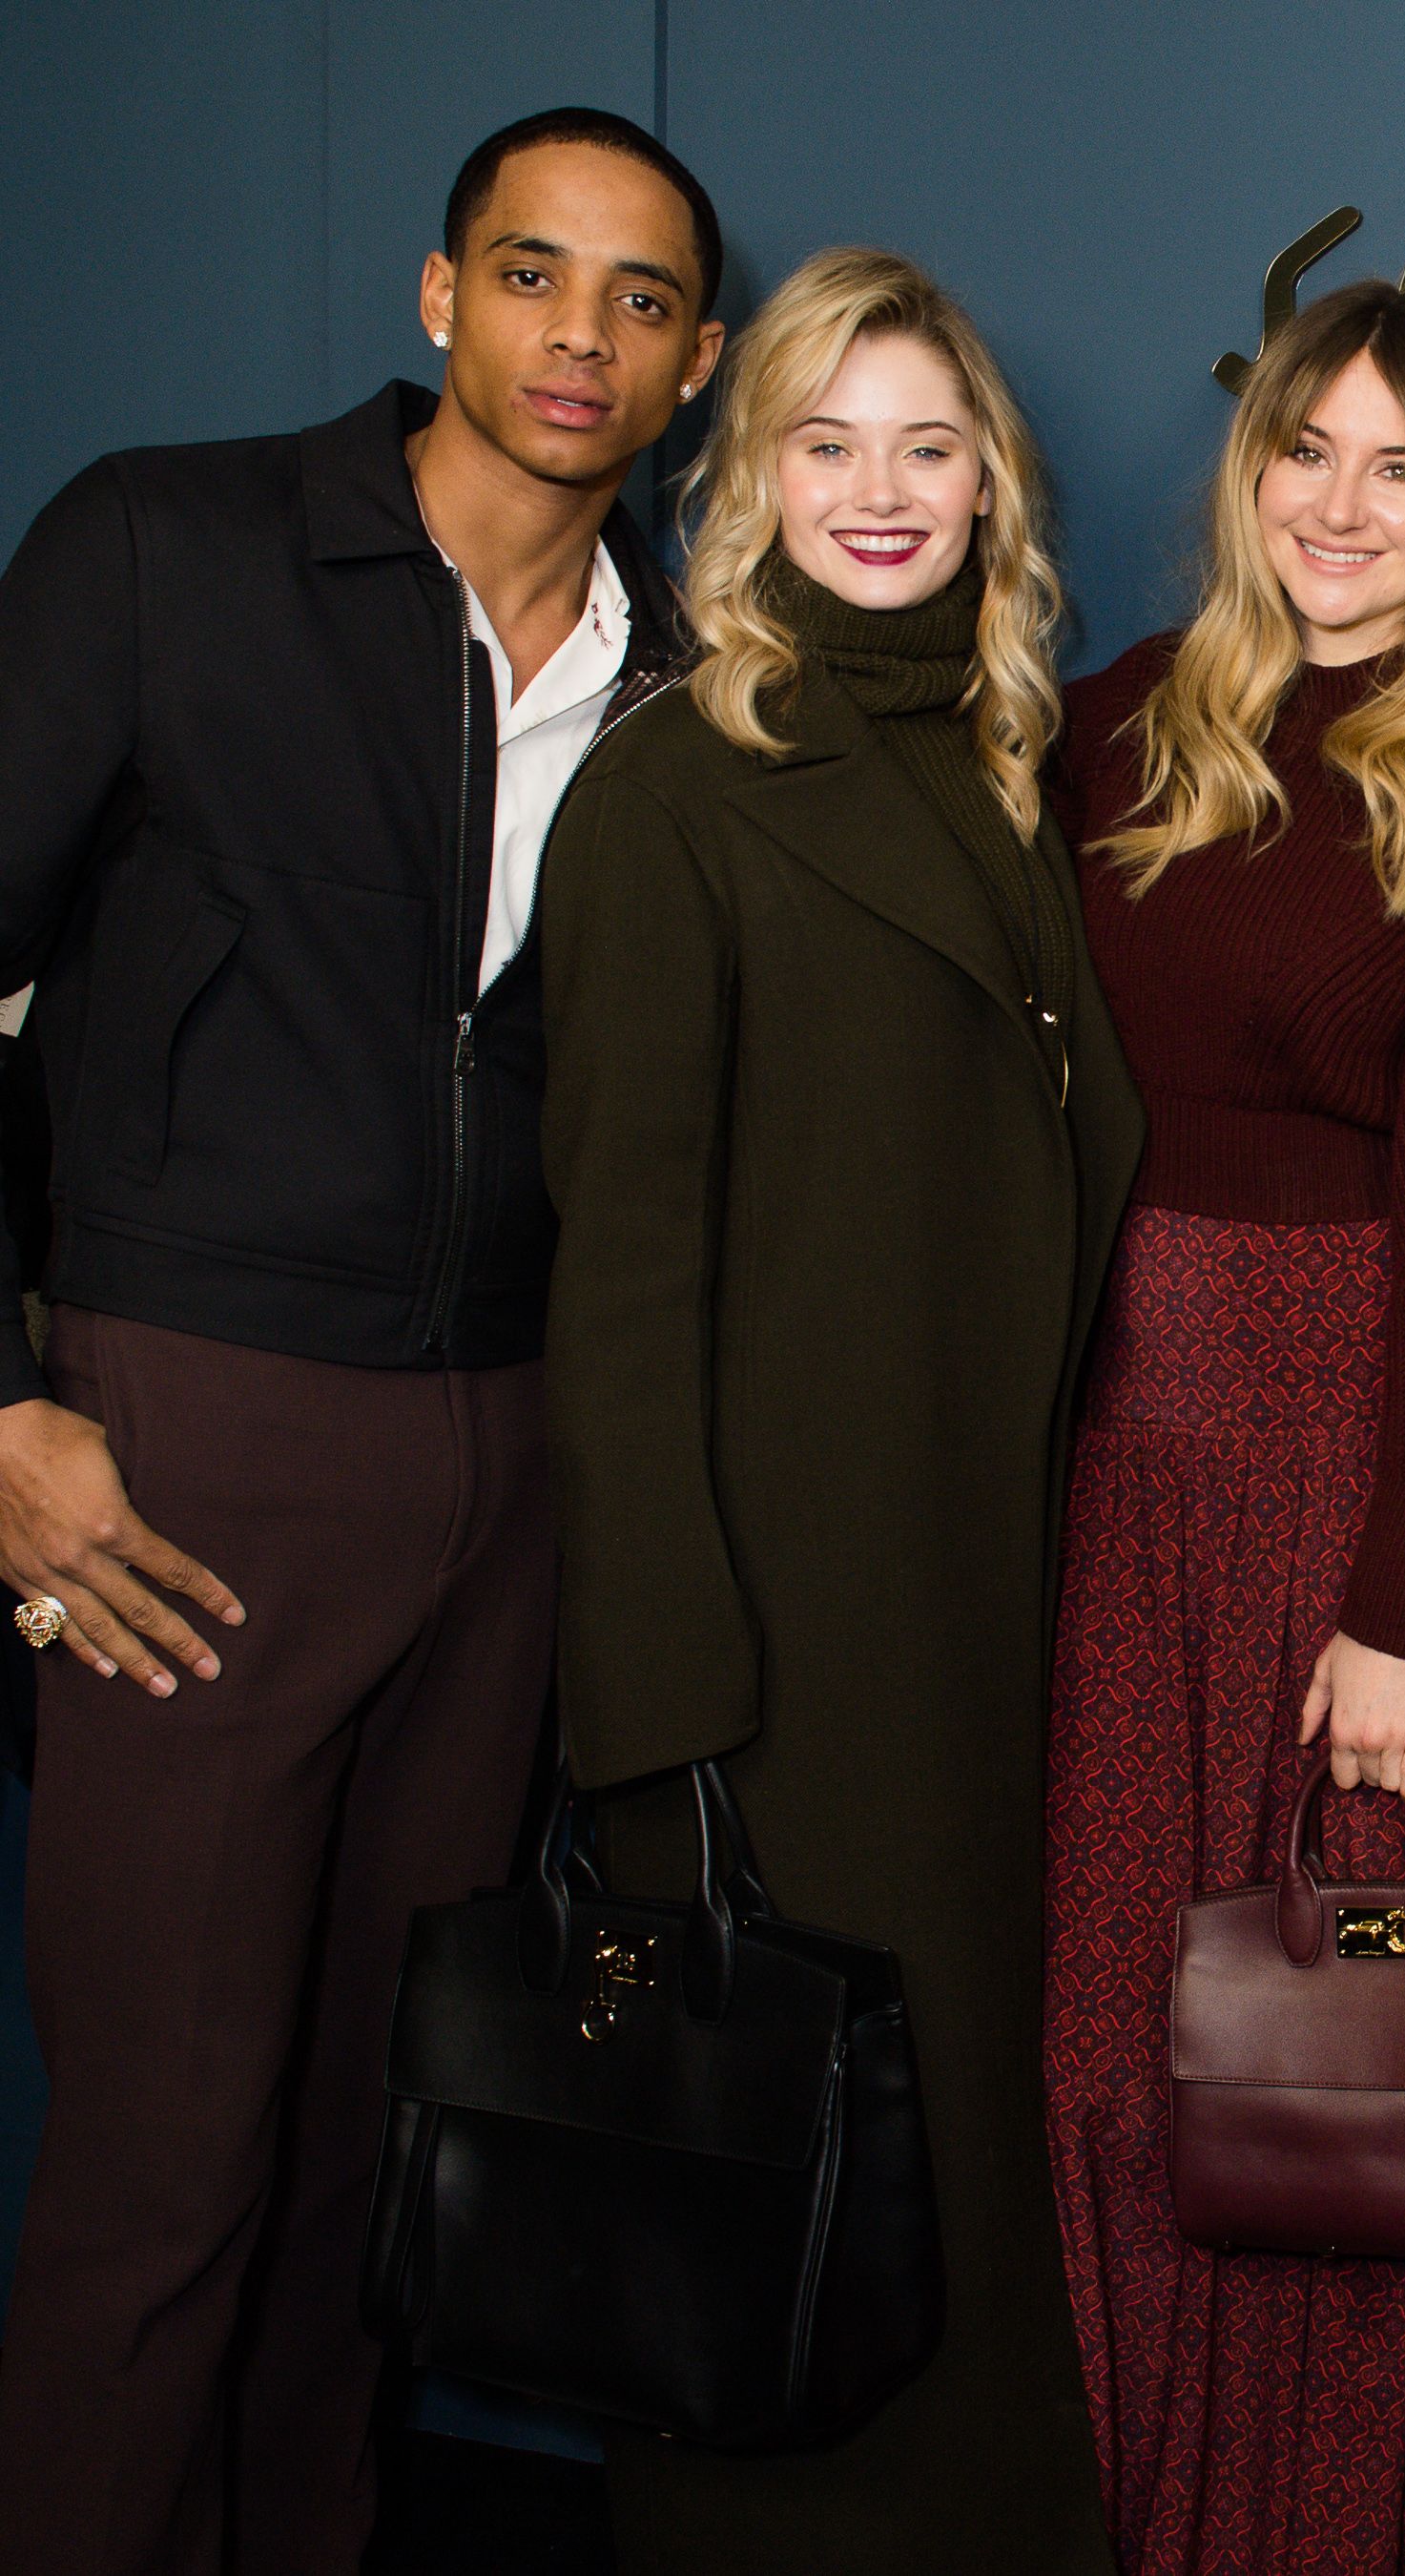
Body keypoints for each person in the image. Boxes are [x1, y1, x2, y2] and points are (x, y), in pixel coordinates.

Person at [0, 108, 718, 2572]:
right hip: (192, 1446)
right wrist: (0, 1402)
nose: (579, 338)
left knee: (358, 2170)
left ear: (695, 363)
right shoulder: (167, 545)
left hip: (509, 1480)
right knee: (161, 2167)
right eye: (532, 274)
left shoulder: (685, 681)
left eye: (638, 301)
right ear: (439, 296)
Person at [538, 246, 1141, 2574]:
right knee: (792, 2203)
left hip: (989, 1609)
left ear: (990, 483)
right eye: (827, 442)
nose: (880, 492)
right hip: (783, 1646)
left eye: (927, 444)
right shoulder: (679, 789)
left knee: (952, 2178)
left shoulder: (1007, 769)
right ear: (750, 475)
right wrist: (662, 1722)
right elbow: (619, 1284)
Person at [1043, 277, 1405, 2574]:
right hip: (1107, 1485)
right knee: (1115, 2052)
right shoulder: (1108, 731)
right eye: (1311, 452)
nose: (1347, 508)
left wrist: (1401, 1599)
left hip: (1356, 1487)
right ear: (1250, 468)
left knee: (1347, 2077)